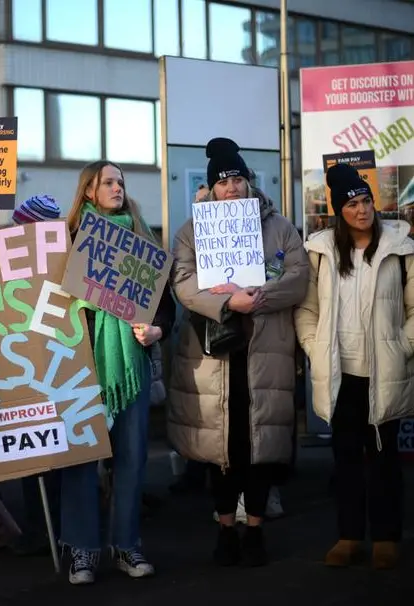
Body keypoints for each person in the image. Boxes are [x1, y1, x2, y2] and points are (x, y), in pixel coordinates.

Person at [168, 138, 308, 567]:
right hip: (216, 357)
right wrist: (228, 303)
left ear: (249, 183)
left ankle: (256, 530)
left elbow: (299, 276)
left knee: (260, 447)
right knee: (222, 449)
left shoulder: (280, 226)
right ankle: (226, 528)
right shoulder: (192, 230)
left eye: (237, 178)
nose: (230, 186)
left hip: (266, 351)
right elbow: (183, 283)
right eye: (222, 180)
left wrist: (259, 297)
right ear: (210, 188)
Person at [60, 161, 175, 585]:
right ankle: (82, 550)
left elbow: (166, 305)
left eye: (120, 182)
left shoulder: (142, 239)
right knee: (80, 460)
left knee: (131, 458)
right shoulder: (67, 242)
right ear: (88, 191)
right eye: (107, 181)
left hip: (131, 365)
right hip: (78, 366)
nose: (117, 187)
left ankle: (126, 544)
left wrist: (158, 328)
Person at [295, 162, 414, 570]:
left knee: (383, 460)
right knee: (345, 459)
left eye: (366, 201)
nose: (362, 210)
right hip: (339, 373)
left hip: (384, 371)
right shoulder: (322, 251)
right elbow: (306, 309)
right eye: (353, 204)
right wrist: (314, 348)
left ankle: (385, 536)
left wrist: (402, 345)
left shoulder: (400, 247)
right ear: (338, 212)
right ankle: (348, 536)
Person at [7, 194, 64, 556]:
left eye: (19, 227)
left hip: (55, 368)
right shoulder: (10, 261)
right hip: (21, 366)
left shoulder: (57, 263)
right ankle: (37, 526)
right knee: (29, 454)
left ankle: (56, 528)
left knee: (57, 458)